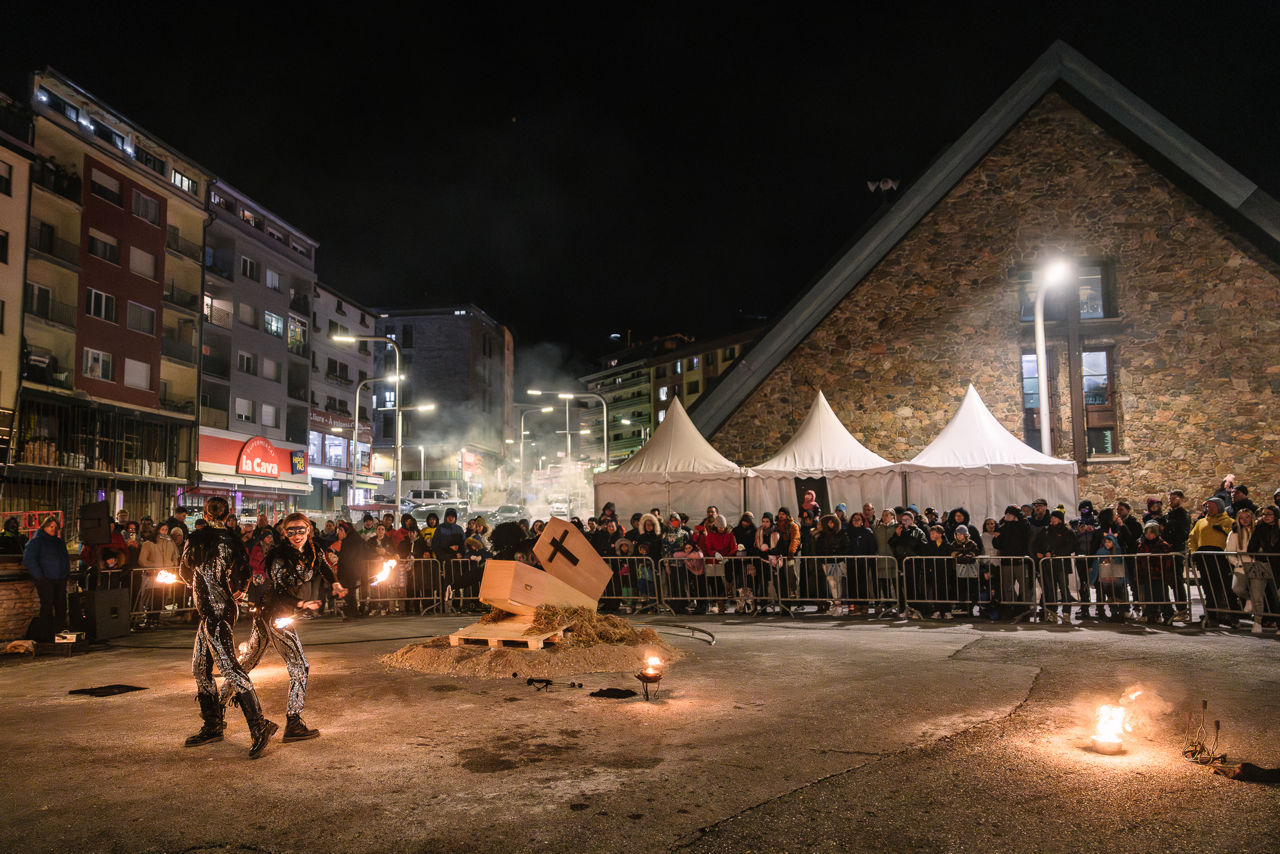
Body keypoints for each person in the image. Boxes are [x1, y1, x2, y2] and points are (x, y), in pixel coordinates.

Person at [220, 513, 345, 743]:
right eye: (291, 531)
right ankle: (294, 722)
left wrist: (335, 583)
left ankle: (217, 707)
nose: (296, 535)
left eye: (300, 530)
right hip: (275, 612)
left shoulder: (313, 550)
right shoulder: (278, 557)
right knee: (299, 665)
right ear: (284, 533)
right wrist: (302, 604)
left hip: (275, 614)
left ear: (309, 530)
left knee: (248, 661)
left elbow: (324, 567)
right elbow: (280, 591)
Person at [179, 496, 276, 758]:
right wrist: (239, 589)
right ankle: (212, 725)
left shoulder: (196, 539)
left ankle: (259, 725)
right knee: (200, 667)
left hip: (213, 612)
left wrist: (198, 585)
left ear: (206, 515)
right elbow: (244, 572)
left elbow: (183, 571)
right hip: (219, 609)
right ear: (227, 514)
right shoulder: (233, 541)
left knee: (228, 667)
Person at [1189, 497, 1237, 626]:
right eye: (1207, 506)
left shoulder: (1230, 522)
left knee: (1225, 587)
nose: (1208, 509)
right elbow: (1192, 539)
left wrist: (1223, 530)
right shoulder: (1200, 523)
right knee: (1209, 587)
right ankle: (1211, 613)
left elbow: (1235, 536)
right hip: (1205, 560)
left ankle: (1229, 614)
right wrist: (1194, 553)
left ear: (1219, 507)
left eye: (1212, 506)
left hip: (1223, 560)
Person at [23, 515, 71, 639]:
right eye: (51, 527)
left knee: (61, 606)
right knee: (47, 606)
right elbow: (29, 559)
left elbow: (65, 558)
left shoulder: (59, 542)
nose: (53, 529)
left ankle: (60, 634)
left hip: (60, 579)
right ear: (44, 527)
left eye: (55, 527)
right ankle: (45, 635)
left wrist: (66, 574)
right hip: (45, 579)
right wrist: (39, 576)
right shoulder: (36, 541)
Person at [1032, 510, 1076, 621]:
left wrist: (1054, 553)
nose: (1052, 519)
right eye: (1051, 517)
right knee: (1050, 589)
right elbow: (1037, 543)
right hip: (1047, 564)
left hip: (1061, 564)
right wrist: (1039, 552)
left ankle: (1066, 613)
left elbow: (1071, 546)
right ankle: (1052, 612)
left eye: (1055, 517)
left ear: (1060, 519)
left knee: (1063, 588)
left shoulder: (1067, 531)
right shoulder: (1046, 530)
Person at [1136, 520, 1175, 623]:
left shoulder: (1163, 546)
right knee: (1149, 596)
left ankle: (1168, 614)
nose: (1149, 535)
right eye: (1147, 532)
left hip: (1159, 575)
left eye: (1151, 532)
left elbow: (1167, 562)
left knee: (1162, 595)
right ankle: (1152, 615)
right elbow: (1139, 561)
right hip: (1147, 574)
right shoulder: (1142, 545)